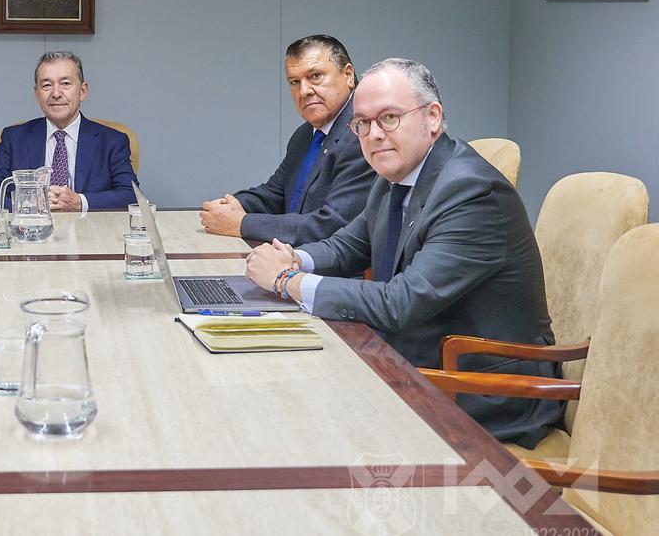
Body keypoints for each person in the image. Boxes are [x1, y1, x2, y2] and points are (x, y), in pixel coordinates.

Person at [244, 58, 562, 447]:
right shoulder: (398, 172)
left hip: (486, 389)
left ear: (432, 117)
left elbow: (401, 301)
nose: (374, 134)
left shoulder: (472, 194)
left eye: (389, 118)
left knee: (302, 413)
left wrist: (288, 281)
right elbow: (349, 245)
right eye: (362, 123)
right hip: (420, 358)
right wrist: (295, 258)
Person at [199, 35, 376, 244]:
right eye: (294, 82)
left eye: (315, 76)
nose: (304, 91)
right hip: (287, 259)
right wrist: (230, 205)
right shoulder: (305, 134)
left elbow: (331, 224)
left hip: (331, 270)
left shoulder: (362, 136)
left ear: (348, 75)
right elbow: (276, 193)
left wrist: (241, 223)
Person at [0, 51, 138, 211]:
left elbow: (130, 195)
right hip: (31, 233)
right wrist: (30, 206)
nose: (56, 94)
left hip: (90, 233)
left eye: (65, 84)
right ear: (37, 94)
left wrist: (80, 202)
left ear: (82, 91)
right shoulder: (14, 139)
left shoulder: (112, 141)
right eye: (46, 85)